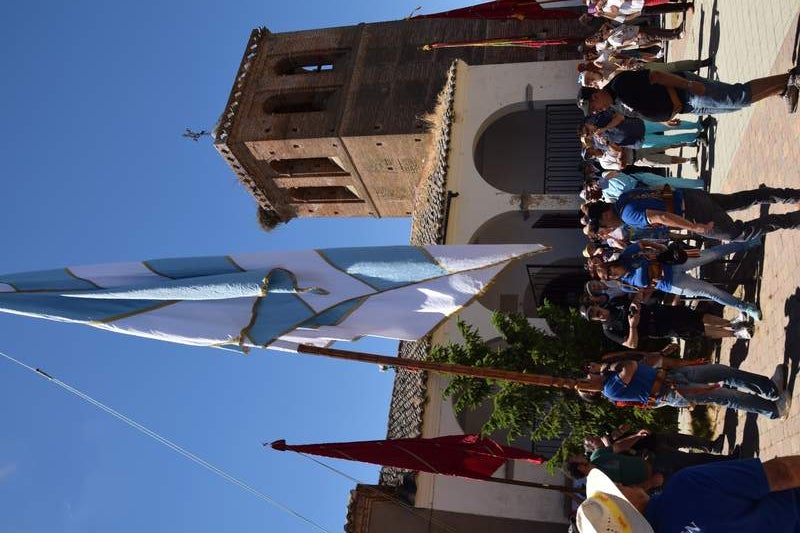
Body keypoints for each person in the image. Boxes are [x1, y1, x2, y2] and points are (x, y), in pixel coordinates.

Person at [576, 456, 800, 532]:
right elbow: (782, 473)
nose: (624, 484)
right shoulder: (686, 486)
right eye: (619, 490)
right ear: (628, 508)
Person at [591, 240, 763, 320]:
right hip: (671, 284)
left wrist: (660, 247)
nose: (611, 275)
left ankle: (748, 243)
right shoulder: (625, 284)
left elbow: (641, 244)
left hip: (672, 262)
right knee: (711, 292)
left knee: (712, 254)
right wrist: (641, 299)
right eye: (608, 278)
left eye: (609, 271)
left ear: (610, 264)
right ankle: (746, 307)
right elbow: (645, 292)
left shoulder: (626, 256)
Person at [585, 355, 791, 419]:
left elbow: (640, 364)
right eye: (586, 384)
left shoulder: (610, 375)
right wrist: (607, 365)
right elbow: (629, 366)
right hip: (673, 391)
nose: (588, 376)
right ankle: (774, 410)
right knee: (726, 395)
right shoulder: (610, 389)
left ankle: (770, 388)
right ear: (593, 392)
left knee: (723, 371)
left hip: (672, 376)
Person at [587, 185, 800, 243]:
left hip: (692, 212)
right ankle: (790, 195)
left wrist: (693, 227)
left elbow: (662, 217)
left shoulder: (627, 215)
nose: (607, 230)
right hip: (688, 197)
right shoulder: (624, 197)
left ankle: (793, 220)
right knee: (740, 199)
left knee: (737, 234)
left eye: (602, 226)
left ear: (605, 215)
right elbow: (659, 187)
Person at [578, 67, 800, 119]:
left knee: (737, 95)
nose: (598, 110)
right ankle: (781, 89)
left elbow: (656, 76)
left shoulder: (620, 85)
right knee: (735, 105)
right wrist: (668, 118)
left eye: (595, 107)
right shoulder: (617, 101)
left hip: (687, 92)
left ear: (595, 96)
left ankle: (788, 78)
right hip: (688, 106)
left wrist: (688, 86)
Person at [580, 297, 752, 348]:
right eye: (593, 316)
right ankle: (735, 334)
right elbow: (631, 344)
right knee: (699, 330)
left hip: (661, 311)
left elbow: (636, 297)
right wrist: (633, 326)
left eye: (594, 310)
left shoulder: (613, 303)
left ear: (596, 305)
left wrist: (635, 303)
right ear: (593, 320)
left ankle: (731, 323)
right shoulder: (609, 329)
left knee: (699, 317)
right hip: (660, 328)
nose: (597, 314)